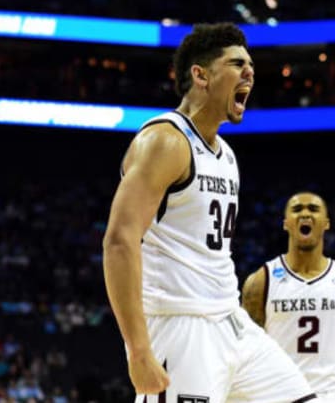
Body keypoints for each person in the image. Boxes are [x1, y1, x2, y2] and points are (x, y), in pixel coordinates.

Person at [103, 23, 321, 403]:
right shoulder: (165, 141)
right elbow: (120, 241)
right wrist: (138, 350)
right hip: (181, 326)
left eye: (251, 65)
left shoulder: (226, 154)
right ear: (200, 74)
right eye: (237, 64)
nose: (250, 72)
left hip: (230, 321)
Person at [242, 192, 335, 403]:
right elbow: (245, 356)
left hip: (327, 395)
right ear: (286, 223)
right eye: (297, 209)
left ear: (326, 223)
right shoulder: (261, 283)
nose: (305, 214)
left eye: (313, 209)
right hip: (275, 394)